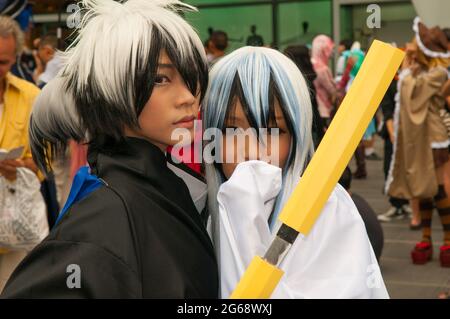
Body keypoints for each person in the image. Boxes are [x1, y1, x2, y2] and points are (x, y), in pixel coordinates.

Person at [1, 0, 218, 298]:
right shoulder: (102, 220)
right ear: (112, 86)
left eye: (190, 76)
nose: (188, 97)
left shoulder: (165, 188)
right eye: (160, 79)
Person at [203, 46, 388, 298]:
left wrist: (244, 220)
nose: (251, 149)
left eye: (272, 130)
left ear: (296, 136)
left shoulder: (327, 208)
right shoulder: (200, 208)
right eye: (230, 129)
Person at [385, 17, 450, 267]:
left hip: (434, 138)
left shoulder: (438, 72)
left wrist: (406, 63)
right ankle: (426, 238)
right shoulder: (422, 71)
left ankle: (446, 240)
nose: (410, 45)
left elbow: (412, 89)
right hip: (422, 137)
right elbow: (407, 84)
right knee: (423, 190)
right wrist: (409, 65)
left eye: (415, 43)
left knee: (438, 190)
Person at [0, 14, 42, 291]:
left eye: (2, 62)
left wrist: (22, 164)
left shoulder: (31, 96)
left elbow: (44, 161)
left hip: (14, 225)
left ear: (15, 59)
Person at [311, 35, 338, 126]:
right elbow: (331, 89)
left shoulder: (311, 64)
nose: (331, 52)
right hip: (324, 109)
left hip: (315, 107)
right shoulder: (322, 68)